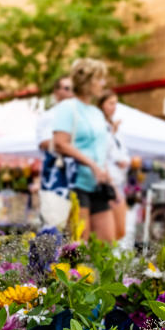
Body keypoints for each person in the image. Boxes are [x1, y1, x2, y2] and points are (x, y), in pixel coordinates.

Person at [51, 58, 115, 242]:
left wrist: (104, 171)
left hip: (97, 183)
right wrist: (93, 165)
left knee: (107, 246)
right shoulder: (68, 107)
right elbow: (60, 143)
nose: (103, 83)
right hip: (76, 183)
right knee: (78, 245)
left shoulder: (96, 112)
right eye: (99, 78)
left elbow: (100, 147)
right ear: (86, 81)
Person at [98, 90, 131, 242]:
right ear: (101, 104)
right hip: (108, 183)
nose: (114, 107)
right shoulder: (100, 126)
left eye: (115, 104)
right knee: (111, 233)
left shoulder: (115, 129)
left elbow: (121, 153)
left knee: (120, 231)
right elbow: (103, 152)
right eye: (110, 103)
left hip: (119, 181)